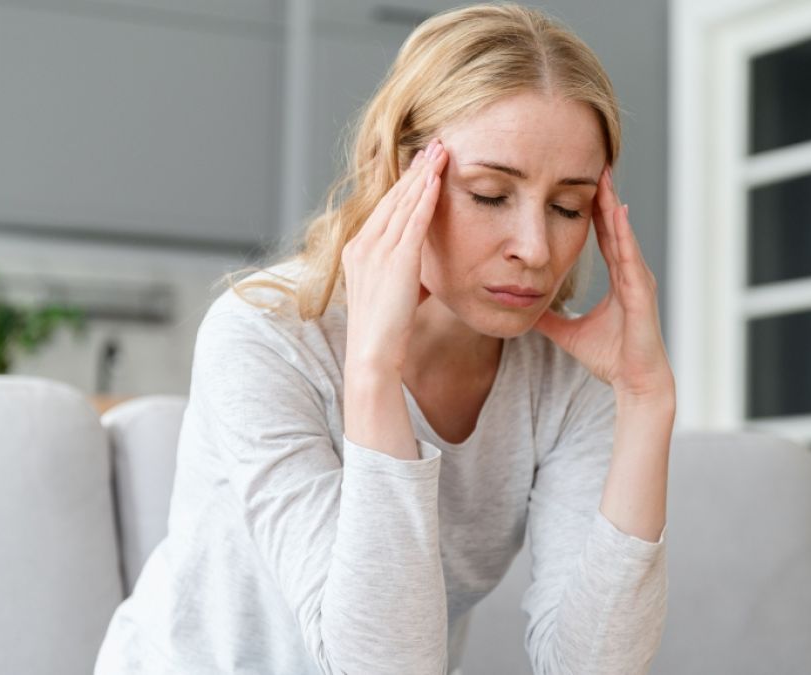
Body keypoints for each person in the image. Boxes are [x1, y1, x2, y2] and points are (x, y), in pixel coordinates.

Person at [94, 3, 674, 673]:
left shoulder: (566, 384)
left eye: (567, 206)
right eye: (490, 193)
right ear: (401, 171)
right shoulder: (265, 336)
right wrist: (374, 368)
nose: (536, 248)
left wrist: (645, 399)